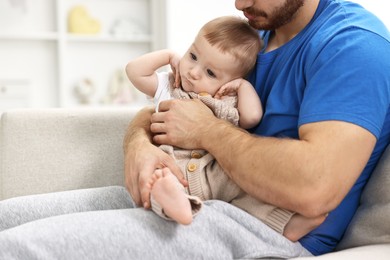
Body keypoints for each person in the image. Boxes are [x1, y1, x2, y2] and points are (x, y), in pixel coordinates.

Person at [0, 0, 389, 259]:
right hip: (195, 193)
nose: (238, 3)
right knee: (10, 217)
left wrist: (205, 131)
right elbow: (176, 101)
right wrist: (139, 144)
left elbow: (314, 187)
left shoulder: (354, 47)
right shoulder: (254, 39)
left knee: (21, 248)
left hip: (267, 232)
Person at [126, 16, 323, 239]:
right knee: (158, 178)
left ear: (230, 80)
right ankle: (176, 204)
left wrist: (242, 86)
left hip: (216, 174)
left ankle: (285, 224)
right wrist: (168, 55)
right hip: (176, 166)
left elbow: (252, 117)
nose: (194, 72)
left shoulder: (227, 100)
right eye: (192, 56)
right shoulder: (171, 85)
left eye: (210, 73)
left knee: (251, 191)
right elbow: (134, 71)